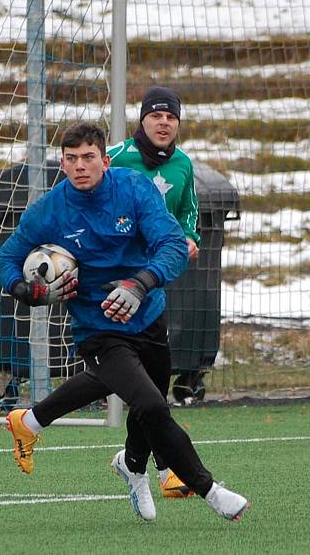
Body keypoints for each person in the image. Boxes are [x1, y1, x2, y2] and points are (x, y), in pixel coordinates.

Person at [0, 122, 248, 522]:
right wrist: (24, 290)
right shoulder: (50, 209)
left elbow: (172, 245)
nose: (80, 166)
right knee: (149, 404)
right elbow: (4, 259)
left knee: (149, 407)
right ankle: (210, 491)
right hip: (98, 328)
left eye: (89, 157)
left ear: (105, 161)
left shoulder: (133, 189)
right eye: (72, 158)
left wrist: (141, 283)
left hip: (148, 315)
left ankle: (129, 465)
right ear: (62, 164)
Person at [107, 86, 198, 498]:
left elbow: (187, 218)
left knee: (153, 386)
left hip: (153, 287)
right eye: (156, 115)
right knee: (131, 381)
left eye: (171, 117)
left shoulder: (183, 166)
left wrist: (190, 239)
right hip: (112, 284)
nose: (164, 122)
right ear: (141, 120)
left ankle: (133, 463)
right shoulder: (114, 157)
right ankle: (167, 466)